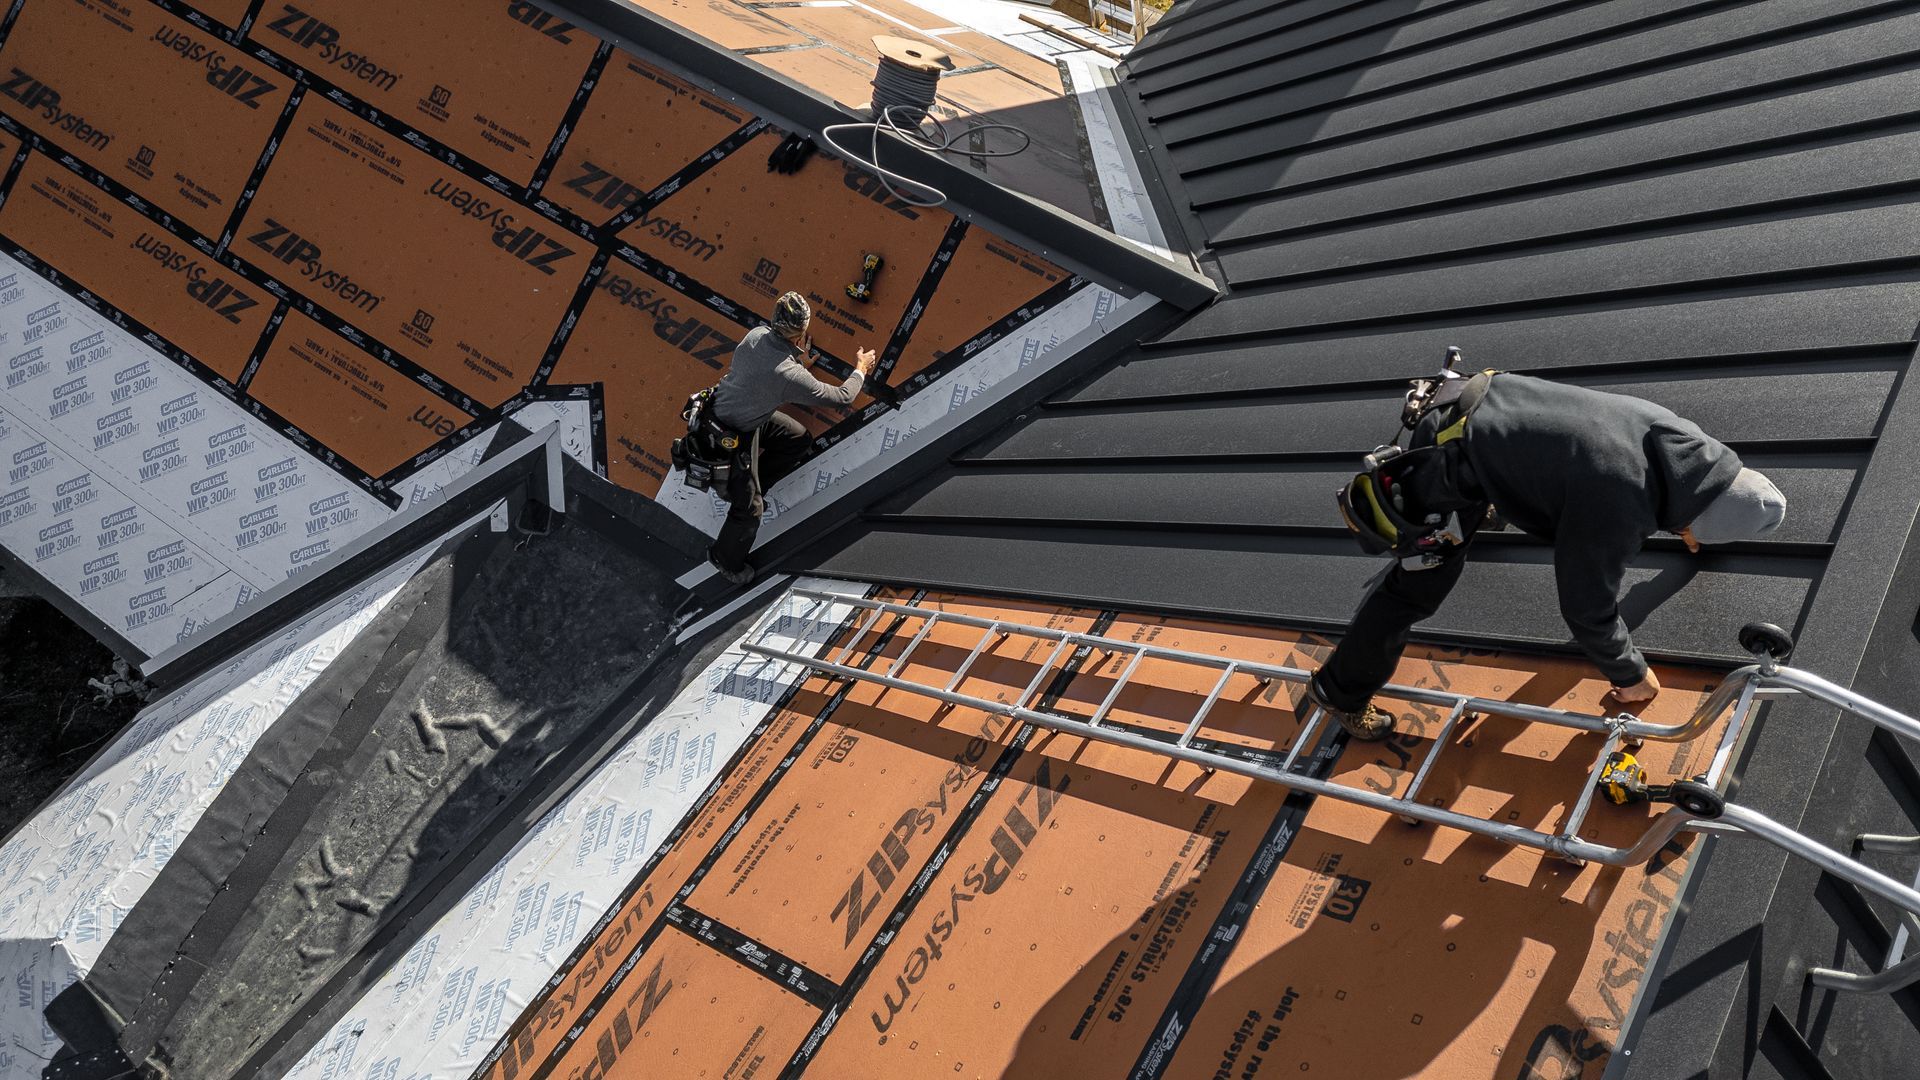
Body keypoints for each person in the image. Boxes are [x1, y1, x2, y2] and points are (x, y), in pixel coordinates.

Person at [1315, 370, 1787, 741]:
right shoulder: (1619, 501)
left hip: (1479, 395)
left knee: (1540, 484)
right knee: (1418, 587)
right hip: (1445, 450)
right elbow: (1585, 608)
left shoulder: (1680, 441)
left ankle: (1498, 486)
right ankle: (1339, 691)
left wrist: (1689, 519)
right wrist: (1630, 672)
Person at [704, 290, 875, 584]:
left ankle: (755, 484)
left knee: (796, 438)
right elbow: (842, 397)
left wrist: (796, 362)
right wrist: (861, 368)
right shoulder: (788, 374)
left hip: (728, 413)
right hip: (729, 439)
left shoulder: (756, 336)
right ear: (801, 332)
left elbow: (766, 374)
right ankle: (725, 558)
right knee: (750, 510)